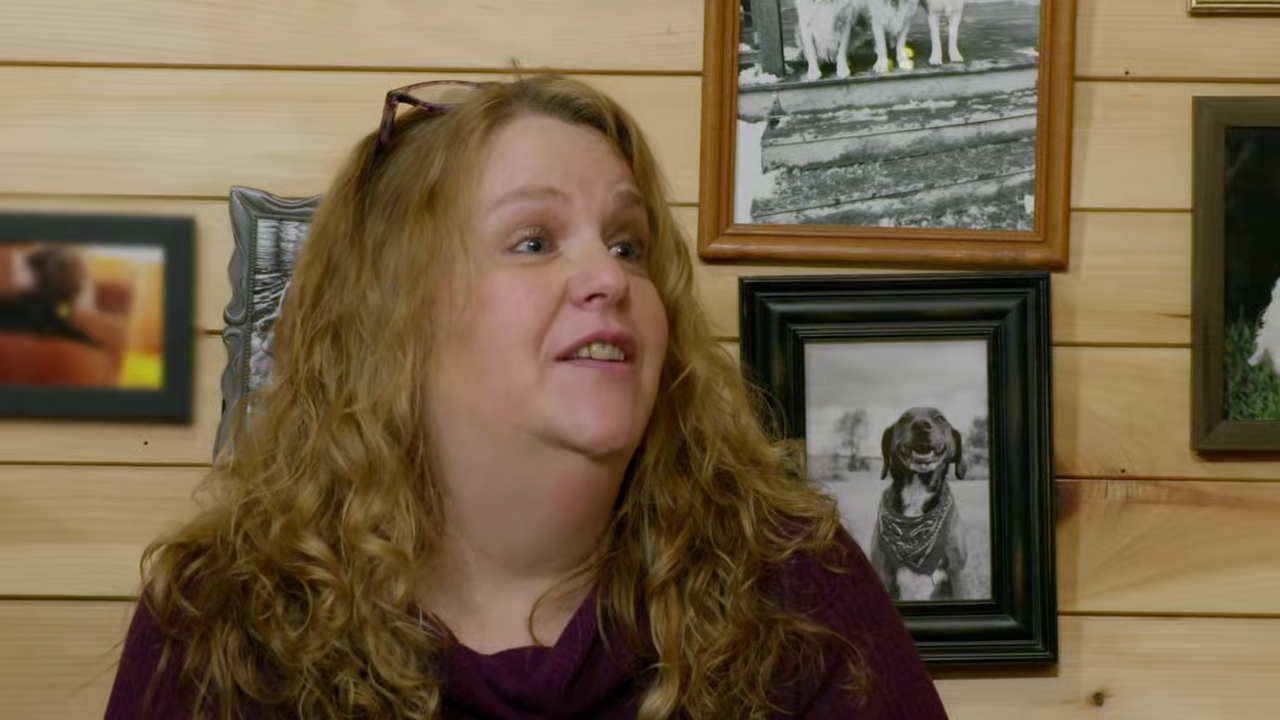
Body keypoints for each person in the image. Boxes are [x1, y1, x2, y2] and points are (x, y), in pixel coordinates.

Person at [103, 74, 949, 720]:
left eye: (628, 244)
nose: (608, 276)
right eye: (535, 241)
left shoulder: (797, 586)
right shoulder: (227, 616)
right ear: (397, 315)